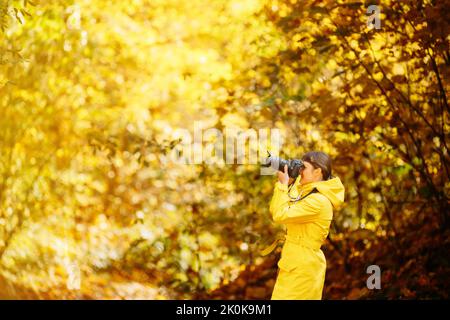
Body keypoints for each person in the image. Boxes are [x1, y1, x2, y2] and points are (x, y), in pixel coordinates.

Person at [269, 151, 345, 299]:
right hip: (294, 263)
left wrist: (282, 184)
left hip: (303, 267)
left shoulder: (318, 201)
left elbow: (280, 214)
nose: (300, 171)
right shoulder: (307, 194)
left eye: (303, 168)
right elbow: (277, 209)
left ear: (317, 172)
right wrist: (289, 182)